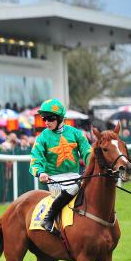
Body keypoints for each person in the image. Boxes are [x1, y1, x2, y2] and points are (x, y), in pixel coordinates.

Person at [29, 98, 91, 234]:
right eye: (44, 119)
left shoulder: (76, 133)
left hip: (75, 176)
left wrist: (92, 165)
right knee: (75, 187)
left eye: (50, 118)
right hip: (54, 179)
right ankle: (48, 219)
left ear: (60, 118)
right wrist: (40, 172)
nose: (46, 122)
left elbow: (88, 152)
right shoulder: (42, 137)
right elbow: (35, 158)